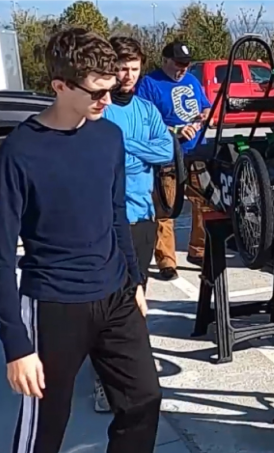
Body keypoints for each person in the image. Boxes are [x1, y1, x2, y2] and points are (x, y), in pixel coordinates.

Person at [0, 28, 162, 453]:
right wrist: (16, 345)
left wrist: (134, 280)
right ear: (60, 86)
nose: (109, 98)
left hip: (116, 296)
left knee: (143, 400)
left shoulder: (108, 138)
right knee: (47, 427)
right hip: (55, 304)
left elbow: (116, 212)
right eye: (98, 91)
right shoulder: (19, 154)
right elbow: (0, 255)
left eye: (112, 87)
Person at [92, 36, 174, 412]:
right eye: (122, 68)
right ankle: (101, 379)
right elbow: (96, 149)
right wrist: (131, 147)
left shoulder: (146, 109)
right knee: (108, 297)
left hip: (142, 214)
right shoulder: (99, 109)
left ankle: (132, 366)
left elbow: (166, 150)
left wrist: (125, 145)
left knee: (138, 291)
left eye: (135, 68)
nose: (128, 75)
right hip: (106, 216)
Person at [137, 40, 211, 279]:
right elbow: (145, 122)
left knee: (203, 203)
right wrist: (175, 131)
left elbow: (206, 106)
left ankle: (198, 250)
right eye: (178, 64)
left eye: (186, 65)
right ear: (165, 60)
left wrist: (204, 115)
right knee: (166, 207)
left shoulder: (192, 80)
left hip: (196, 150)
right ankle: (166, 260)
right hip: (168, 154)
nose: (183, 70)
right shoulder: (149, 84)